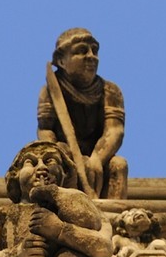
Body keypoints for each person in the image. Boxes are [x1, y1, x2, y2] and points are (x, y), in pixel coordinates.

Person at [37, 28, 126, 198]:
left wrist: (97, 159)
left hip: (98, 155)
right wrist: (59, 154)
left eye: (95, 50)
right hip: (67, 154)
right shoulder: (50, 91)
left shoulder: (110, 91)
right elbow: (45, 129)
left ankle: (114, 214)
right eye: (82, 50)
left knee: (119, 165)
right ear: (62, 61)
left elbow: (115, 130)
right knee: (58, 161)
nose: (92, 56)